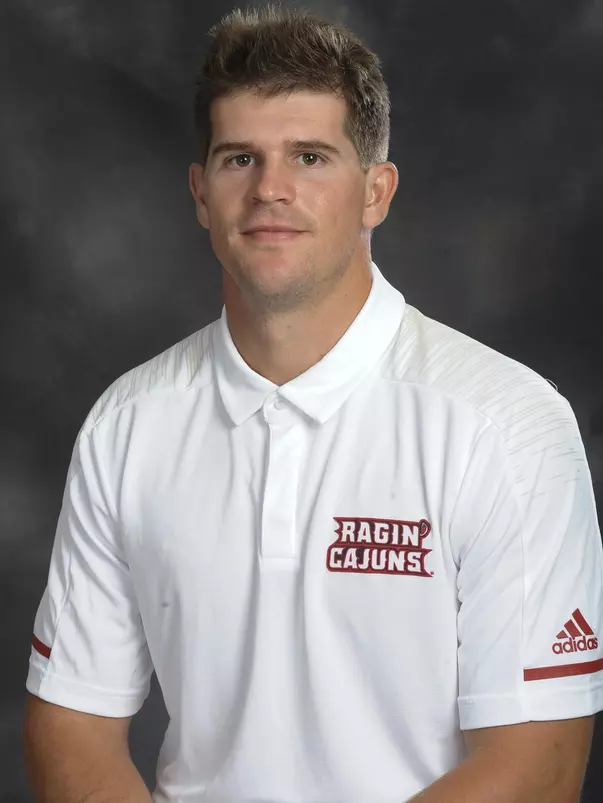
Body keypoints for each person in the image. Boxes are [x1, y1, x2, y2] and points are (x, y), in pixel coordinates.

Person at [22, 4, 603, 803]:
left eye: (309, 156)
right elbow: (71, 724)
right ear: (200, 193)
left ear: (375, 192)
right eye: (239, 159)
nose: (270, 189)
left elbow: (538, 767)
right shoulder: (127, 425)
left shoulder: (505, 426)